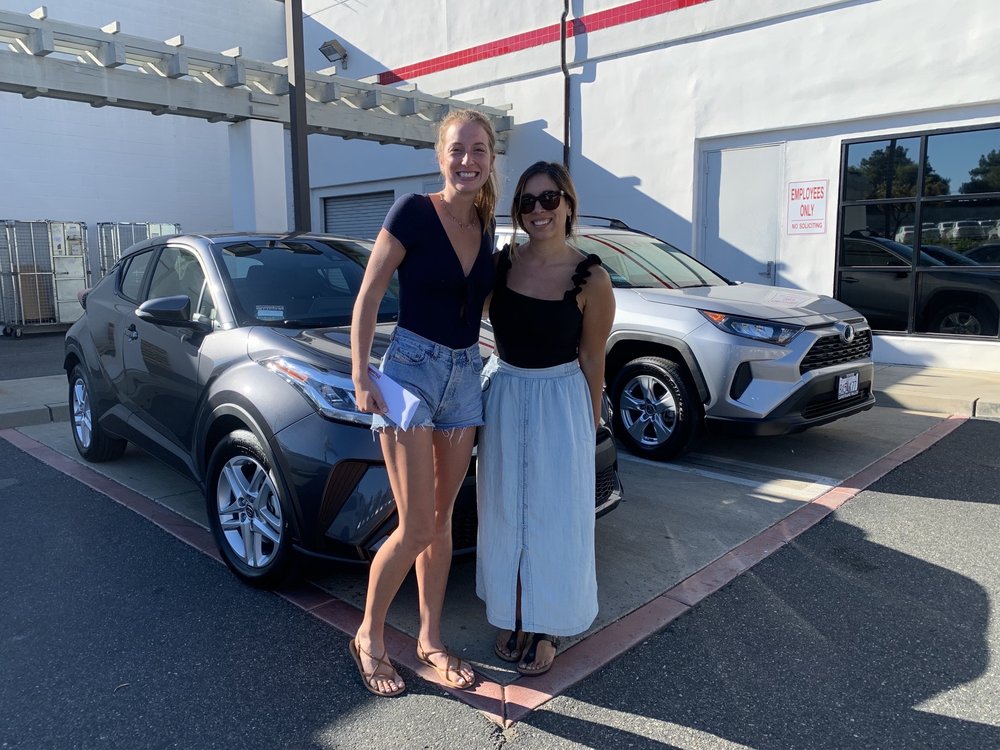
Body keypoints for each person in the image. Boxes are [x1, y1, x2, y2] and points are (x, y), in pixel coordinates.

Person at [348, 109, 499, 697]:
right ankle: (369, 635)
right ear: (440, 156)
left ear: (491, 159)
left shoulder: (486, 225)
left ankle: (430, 640)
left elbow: (484, 307)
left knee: (440, 521)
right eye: (457, 149)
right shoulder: (413, 211)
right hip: (410, 375)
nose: (467, 160)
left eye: (478, 150)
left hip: (464, 376)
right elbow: (369, 294)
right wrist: (361, 374)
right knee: (414, 526)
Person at [476, 161, 616, 676]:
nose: (539, 210)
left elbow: (593, 358)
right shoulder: (500, 265)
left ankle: (548, 623)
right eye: (528, 201)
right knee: (505, 510)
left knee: (556, 516)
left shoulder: (592, 278)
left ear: (569, 204)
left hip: (561, 399)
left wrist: (589, 422)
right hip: (505, 393)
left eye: (550, 199)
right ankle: (513, 611)